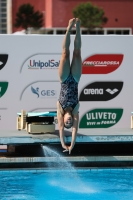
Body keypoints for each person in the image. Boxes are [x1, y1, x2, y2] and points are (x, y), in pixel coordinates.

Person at [57, 18, 82, 154]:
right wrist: (72, 145)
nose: (67, 122)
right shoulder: (75, 111)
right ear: (72, 119)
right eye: (69, 123)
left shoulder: (60, 110)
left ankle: (68, 28)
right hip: (76, 79)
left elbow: (61, 129)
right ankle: (77, 27)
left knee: (65, 53)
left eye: (66, 123)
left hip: (65, 79)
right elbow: (75, 130)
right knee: (77, 52)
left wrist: (64, 144)